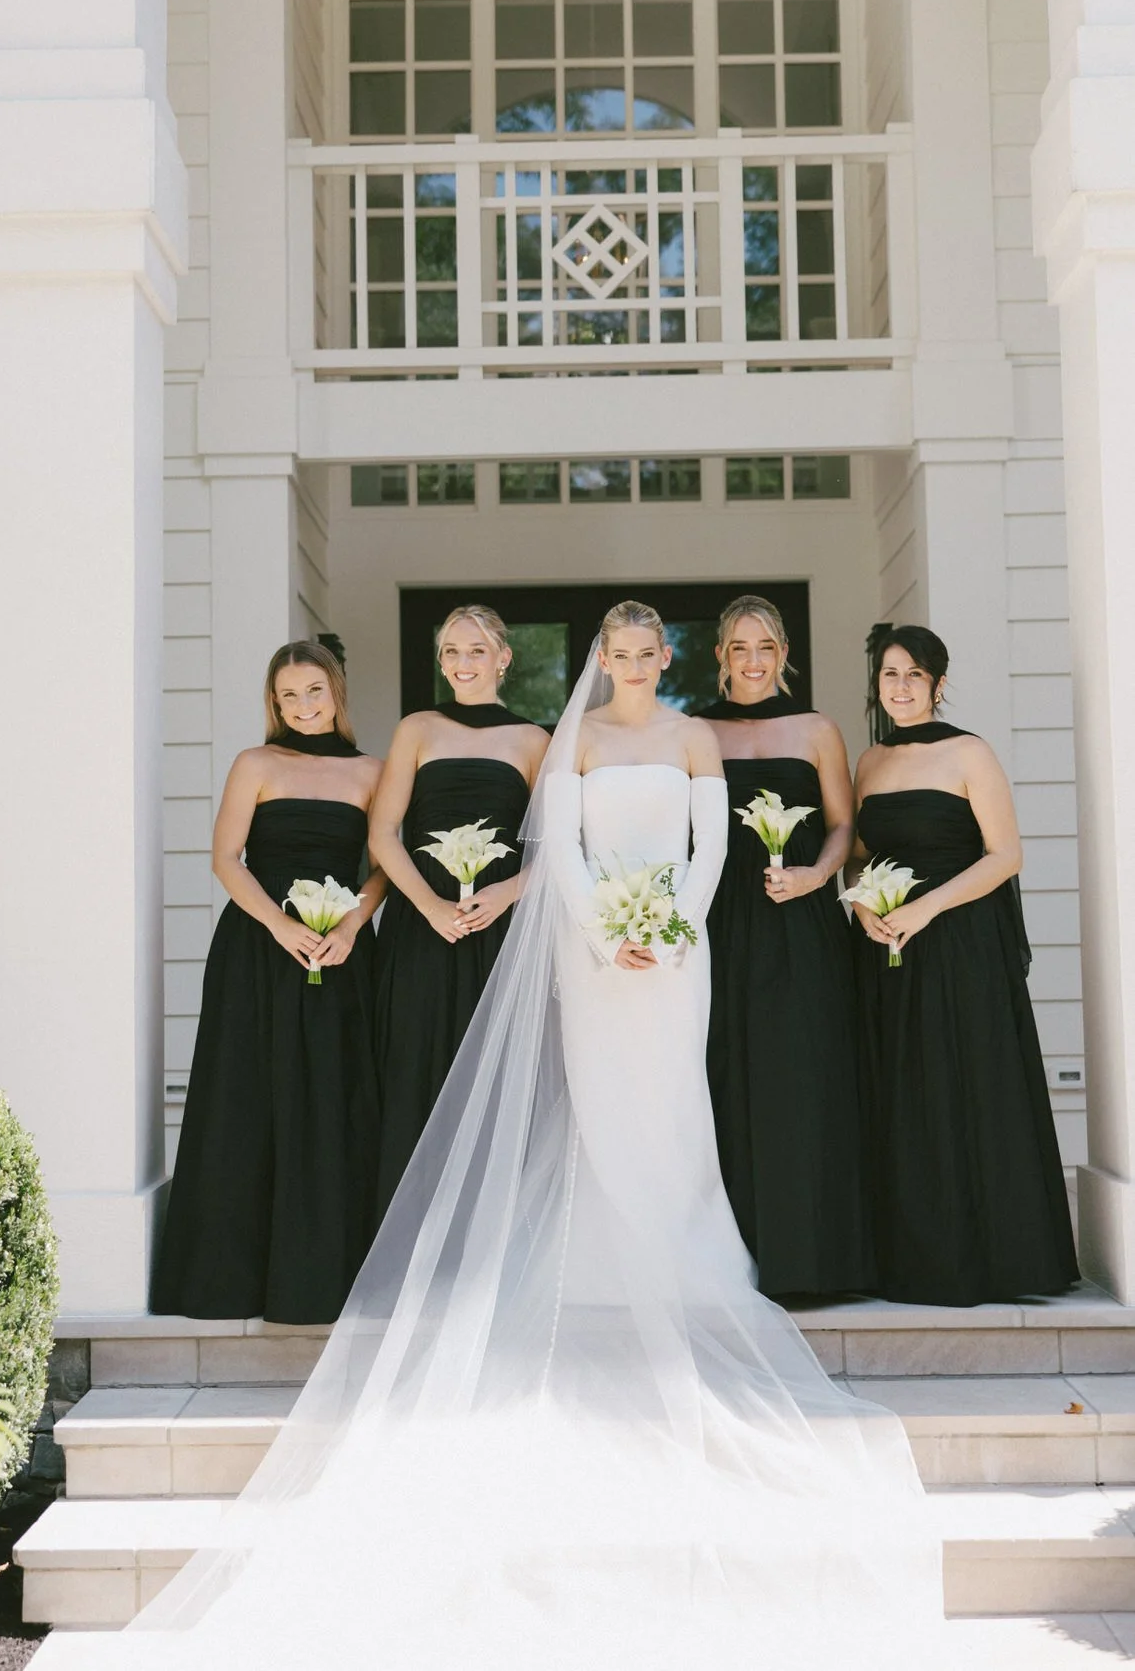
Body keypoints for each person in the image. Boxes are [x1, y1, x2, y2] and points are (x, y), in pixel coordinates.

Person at [103, 601, 952, 1671]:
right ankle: (588, 1248)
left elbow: (706, 853)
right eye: (623, 653)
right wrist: (608, 926)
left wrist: (670, 925)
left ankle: (685, 1251)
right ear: (604, 660)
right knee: (595, 1099)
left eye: (649, 654)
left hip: (673, 954)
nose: (635, 665)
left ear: (664, 661)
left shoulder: (690, 739)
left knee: (674, 1102)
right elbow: (558, 849)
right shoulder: (575, 739)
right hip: (593, 952)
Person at [151, 642, 385, 1325]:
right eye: (289, 697)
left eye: (314, 692)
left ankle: (325, 1282)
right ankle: (226, 1284)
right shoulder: (254, 764)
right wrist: (280, 927)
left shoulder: (372, 772)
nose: (304, 707)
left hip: (340, 952)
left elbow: (381, 867)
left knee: (332, 1098)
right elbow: (227, 860)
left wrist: (347, 927)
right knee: (246, 1096)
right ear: (273, 703)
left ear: (336, 693)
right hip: (257, 949)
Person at [850, 624, 1078, 1306]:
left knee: (966, 1086)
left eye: (912, 676)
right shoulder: (868, 762)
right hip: (888, 947)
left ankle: (995, 1262)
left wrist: (926, 910)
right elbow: (861, 856)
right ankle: (914, 1259)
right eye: (888, 675)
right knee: (904, 1094)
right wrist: (863, 906)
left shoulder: (968, 753)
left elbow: (1004, 855)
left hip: (959, 942)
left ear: (937, 684)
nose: (898, 687)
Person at [701, 595, 873, 1298]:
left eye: (764, 647)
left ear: (782, 654)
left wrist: (814, 877)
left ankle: (810, 1259)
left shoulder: (815, 730)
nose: (751, 660)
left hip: (800, 922)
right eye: (738, 647)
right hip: (719, 923)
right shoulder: (693, 731)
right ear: (719, 656)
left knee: (801, 1077)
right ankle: (728, 1262)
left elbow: (844, 827)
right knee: (723, 1075)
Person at [369, 604, 547, 1215]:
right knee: (415, 1066)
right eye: (452, 651)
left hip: (500, 933)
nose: (463, 663)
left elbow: (561, 849)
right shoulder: (416, 729)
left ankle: (488, 1236)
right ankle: (411, 1237)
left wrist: (503, 895)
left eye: (477, 651)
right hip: (421, 931)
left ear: (503, 658)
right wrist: (428, 907)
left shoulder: (533, 740)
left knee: (495, 1079)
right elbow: (384, 833)